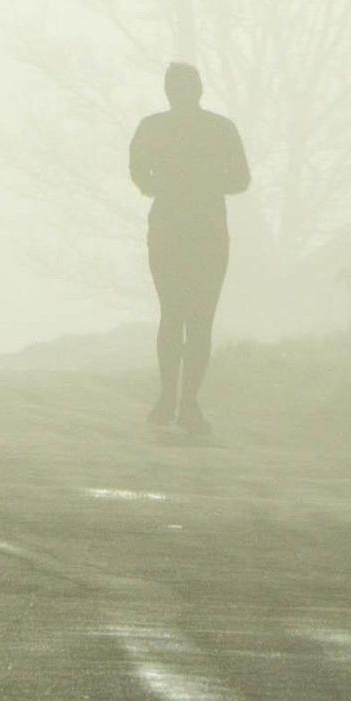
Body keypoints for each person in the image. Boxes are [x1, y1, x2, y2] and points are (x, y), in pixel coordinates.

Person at [128, 61, 249, 435]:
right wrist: (211, 181)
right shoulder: (221, 129)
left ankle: (168, 399)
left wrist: (157, 185)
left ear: (168, 90)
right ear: (199, 89)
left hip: (167, 229)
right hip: (209, 231)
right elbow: (242, 179)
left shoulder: (152, 128)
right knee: (199, 320)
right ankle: (188, 403)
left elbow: (136, 171)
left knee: (172, 314)